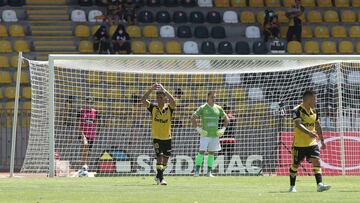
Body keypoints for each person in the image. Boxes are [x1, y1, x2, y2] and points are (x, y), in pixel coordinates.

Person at [289, 90, 331, 192]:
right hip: (299, 144)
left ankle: (319, 185)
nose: (315, 101)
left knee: (316, 161)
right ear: (308, 99)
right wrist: (309, 132)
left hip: (312, 143)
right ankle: (292, 186)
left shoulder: (314, 111)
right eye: (314, 99)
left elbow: (317, 126)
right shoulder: (297, 110)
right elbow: (298, 124)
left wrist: (322, 140)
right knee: (295, 165)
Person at [141, 83, 176, 185]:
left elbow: (173, 100)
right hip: (156, 137)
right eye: (157, 97)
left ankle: (158, 176)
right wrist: (151, 89)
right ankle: (161, 179)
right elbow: (143, 100)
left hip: (167, 138)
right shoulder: (153, 108)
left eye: (161, 97)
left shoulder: (169, 108)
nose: (159, 99)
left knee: (165, 160)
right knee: (159, 156)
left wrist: (164, 90)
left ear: (165, 98)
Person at [191, 91, 230, 177]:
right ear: (208, 97)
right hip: (205, 135)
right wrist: (198, 129)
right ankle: (197, 171)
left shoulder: (218, 108)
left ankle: (209, 172)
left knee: (211, 153)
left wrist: (223, 129)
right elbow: (193, 117)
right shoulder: (203, 108)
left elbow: (227, 118)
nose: (214, 99)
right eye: (212, 97)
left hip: (215, 135)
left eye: (215, 97)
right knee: (201, 152)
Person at [79, 97, 98, 167]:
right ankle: (83, 165)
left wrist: (97, 131)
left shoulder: (95, 112)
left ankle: (86, 167)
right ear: (85, 103)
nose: (89, 104)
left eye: (90, 103)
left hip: (92, 135)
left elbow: (97, 122)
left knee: (88, 151)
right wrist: (80, 133)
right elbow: (78, 122)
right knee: (85, 146)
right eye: (87, 103)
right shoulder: (81, 111)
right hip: (84, 133)